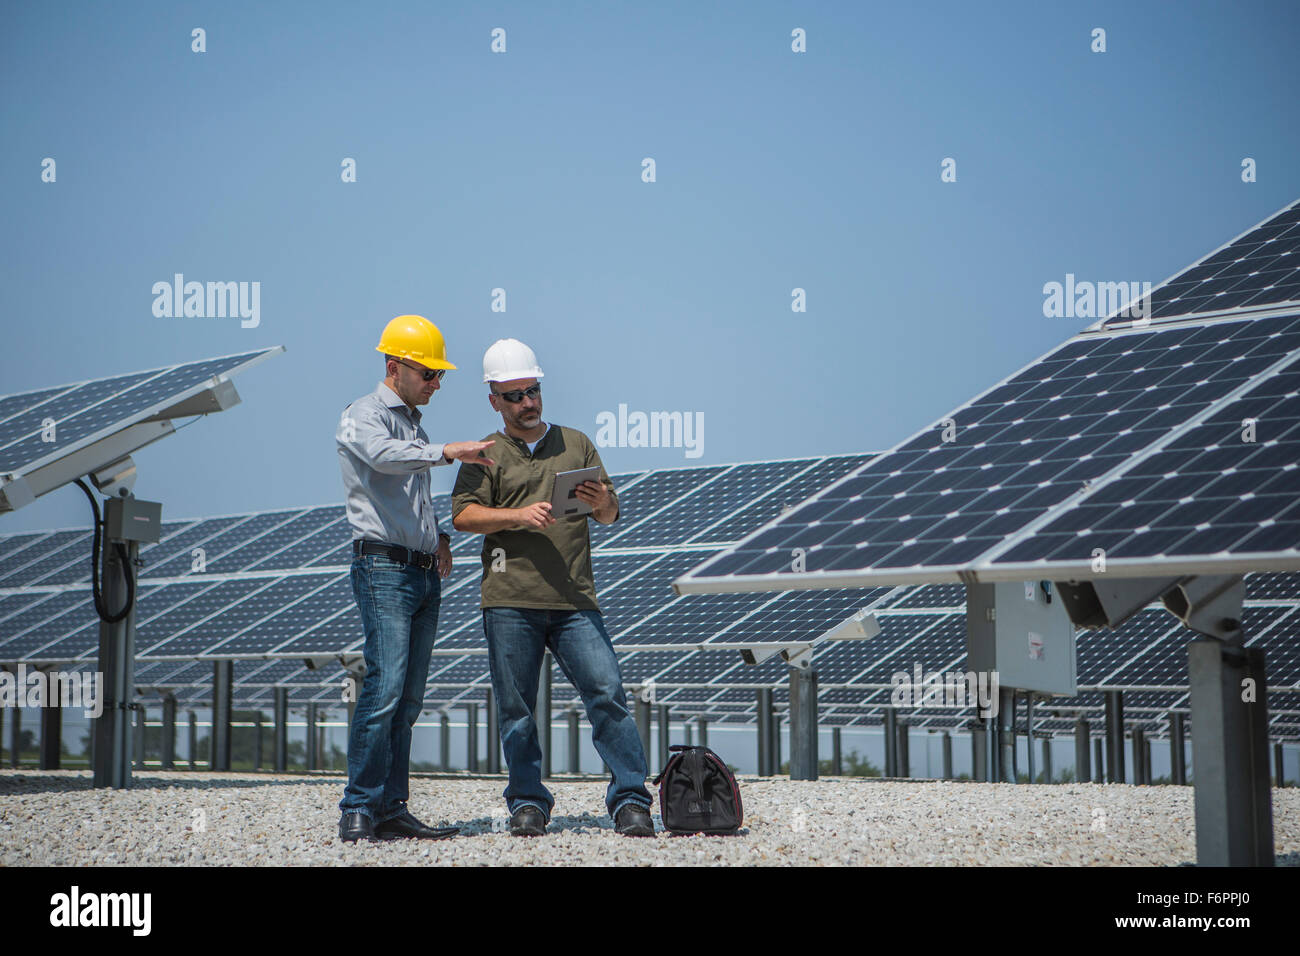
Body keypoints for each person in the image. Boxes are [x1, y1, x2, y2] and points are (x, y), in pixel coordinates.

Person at [451, 338, 654, 837]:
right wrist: (518, 515)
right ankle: (527, 803)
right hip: (509, 601)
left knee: (607, 695)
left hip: (574, 602)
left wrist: (602, 498)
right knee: (517, 710)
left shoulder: (578, 443)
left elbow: (608, 516)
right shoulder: (483, 454)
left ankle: (630, 801)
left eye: (533, 391)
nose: (528, 403)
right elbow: (462, 516)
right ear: (494, 400)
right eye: (515, 395)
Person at [335, 314, 495, 843]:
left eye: (438, 375)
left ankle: (390, 808)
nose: (436, 383)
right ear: (394, 366)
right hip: (383, 570)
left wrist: (439, 536)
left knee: (407, 699)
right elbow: (383, 460)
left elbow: (410, 499)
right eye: (428, 373)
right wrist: (448, 451)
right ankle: (358, 808)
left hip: (423, 573)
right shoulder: (363, 416)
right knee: (383, 688)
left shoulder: (415, 427)